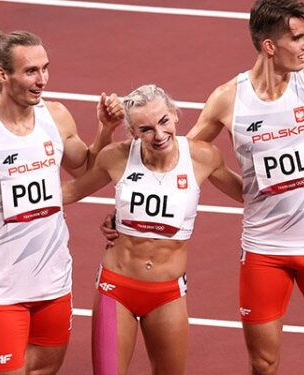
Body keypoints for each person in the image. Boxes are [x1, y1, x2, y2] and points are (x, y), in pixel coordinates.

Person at [103, 1, 304, 373]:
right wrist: (127, 210)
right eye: (297, 37)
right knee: (264, 363)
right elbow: (181, 160)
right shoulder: (228, 99)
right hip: (264, 250)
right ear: (269, 46)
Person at [0, 27, 124, 374]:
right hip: (2, 284)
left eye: (45, 68)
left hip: (52, 279)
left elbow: (83, 165)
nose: (42, 79)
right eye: (31, 71)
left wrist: (105, 129)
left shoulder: (54, 115)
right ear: (2, 74)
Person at [62, 84, 243, 375]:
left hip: (167, 294)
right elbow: (69, 192)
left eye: (163, 122)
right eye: (145, 129)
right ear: (132, 133)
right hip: (116, 287)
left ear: (175, 115)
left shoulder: (203, 157)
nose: (158, 135)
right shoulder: (116, 157)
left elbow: (250, 193)